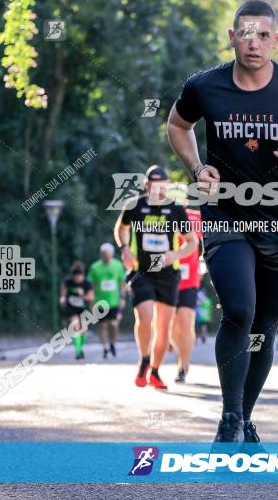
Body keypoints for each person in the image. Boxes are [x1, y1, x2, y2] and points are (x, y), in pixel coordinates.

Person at [167, 0, 278, 442]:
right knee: (240, 309)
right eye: (246, 33)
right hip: (224, 215)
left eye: (263, 35)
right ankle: (229, 417)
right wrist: (197, 170)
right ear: (232, 36)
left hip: (277, 221)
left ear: (276, 40)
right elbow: (177, 125)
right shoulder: (205, 85)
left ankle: (245, 416)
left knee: (265, 327)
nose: (254, 43)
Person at [115, 165, 199, 390]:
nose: (159, 187)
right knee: (144, 316)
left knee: (163, 328)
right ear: (147, 184)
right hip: (141, 271)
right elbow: (120, 229)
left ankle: (154, 371)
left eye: (164, 183)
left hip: (168, 275)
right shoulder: (135, 205)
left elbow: (192, 242)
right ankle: (144, 360)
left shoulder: (175, 210)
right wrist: (124, 249)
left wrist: (176, 254)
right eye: (155, 183)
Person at [171, 207, 203, 383]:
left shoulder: (195, 217)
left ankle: (183, 365)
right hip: (167, 280)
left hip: (189, 281)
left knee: (185, 322)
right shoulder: (160, 215)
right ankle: (180, 351)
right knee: (171, 328)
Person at [87, 243, 126, 359]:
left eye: (108, 254)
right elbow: (91, 285)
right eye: (103, 254)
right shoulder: (95, 267)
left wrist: (122, 298)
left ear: (112, 254)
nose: (106, 256)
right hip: (100, 302)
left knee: (113, 324)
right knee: (102, 326)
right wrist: (91, 300)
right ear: (101, 254)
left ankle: (112, 343)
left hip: (114, 301)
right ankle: (104, 348)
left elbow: (122, 283)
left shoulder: (118, 266)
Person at [59, 261, 94, 359]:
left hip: (83, 308)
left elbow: (90, 297)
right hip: (72, 308)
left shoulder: (87, 284)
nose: (77, 279)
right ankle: (78, 351)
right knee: (75, 326)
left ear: (82, 276)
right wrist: (62, 298)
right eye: (75, 276)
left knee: (83, 330)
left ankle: (81, 348)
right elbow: (63, 290)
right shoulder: (68, 282)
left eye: (79, 276)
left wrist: (82, 295)